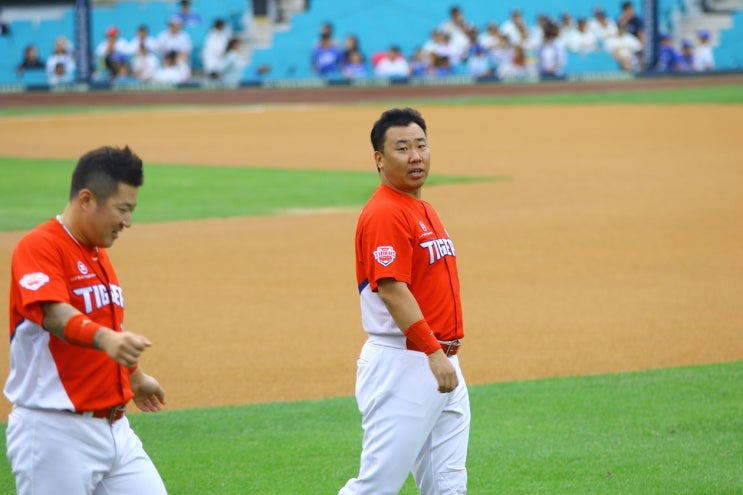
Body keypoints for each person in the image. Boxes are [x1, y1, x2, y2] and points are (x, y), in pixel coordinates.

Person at [4, 146, 168, 495]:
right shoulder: (39, 247)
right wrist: (107, 340)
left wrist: (134, 376)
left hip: (116, 431)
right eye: (123, 210)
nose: (128, 222)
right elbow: (55, 314)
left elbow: (107, 327)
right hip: (54, 433)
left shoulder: (97, 253)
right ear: (87, 199)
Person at [339, 107, 470, 495]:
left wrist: (440, 356)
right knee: (377, 486)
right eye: (402, 148)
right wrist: (432, 352)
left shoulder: (422, 207)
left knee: (447, 484)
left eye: (421, 146)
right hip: (407, 361)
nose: (416, 156)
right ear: (379, 159)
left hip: (440, 361)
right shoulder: (384, 212)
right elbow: (394, 289)